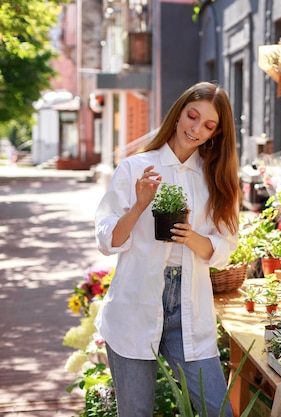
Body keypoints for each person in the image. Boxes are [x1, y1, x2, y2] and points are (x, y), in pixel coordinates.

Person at [94, 82, 241, 417]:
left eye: (209, 125)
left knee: (217, 411)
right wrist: (138, 206)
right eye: (192, 116)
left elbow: (225, 247)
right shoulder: (135, 167)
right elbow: (108, 240)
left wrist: (189, 235)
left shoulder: (215, 179)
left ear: (216, 134)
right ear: (177, 115)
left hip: (188, 306)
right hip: (135, 302)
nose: (196, 128)